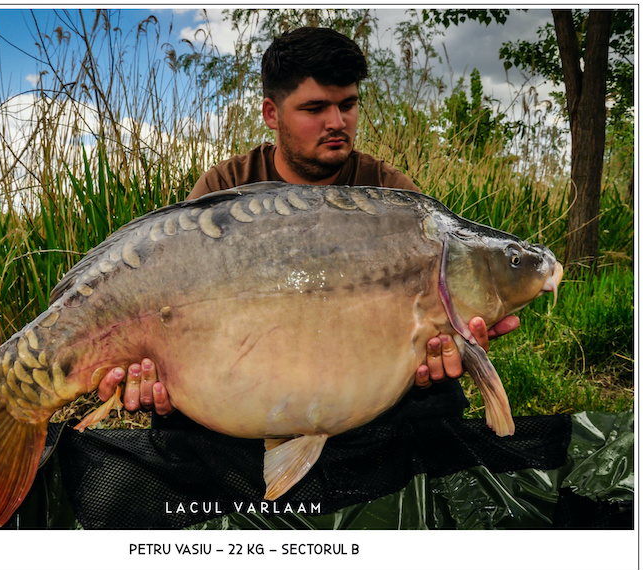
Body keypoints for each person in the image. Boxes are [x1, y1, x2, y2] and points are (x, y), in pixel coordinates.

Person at [95, 26, 519, 421]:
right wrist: (156, 376)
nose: (337, 122)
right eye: (315, 108)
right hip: (246, 385)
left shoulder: (392, 195)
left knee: (436, 402)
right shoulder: (223, 188)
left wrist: (452, 347)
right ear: (272, 113)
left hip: (355, 389)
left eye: (348, 105)